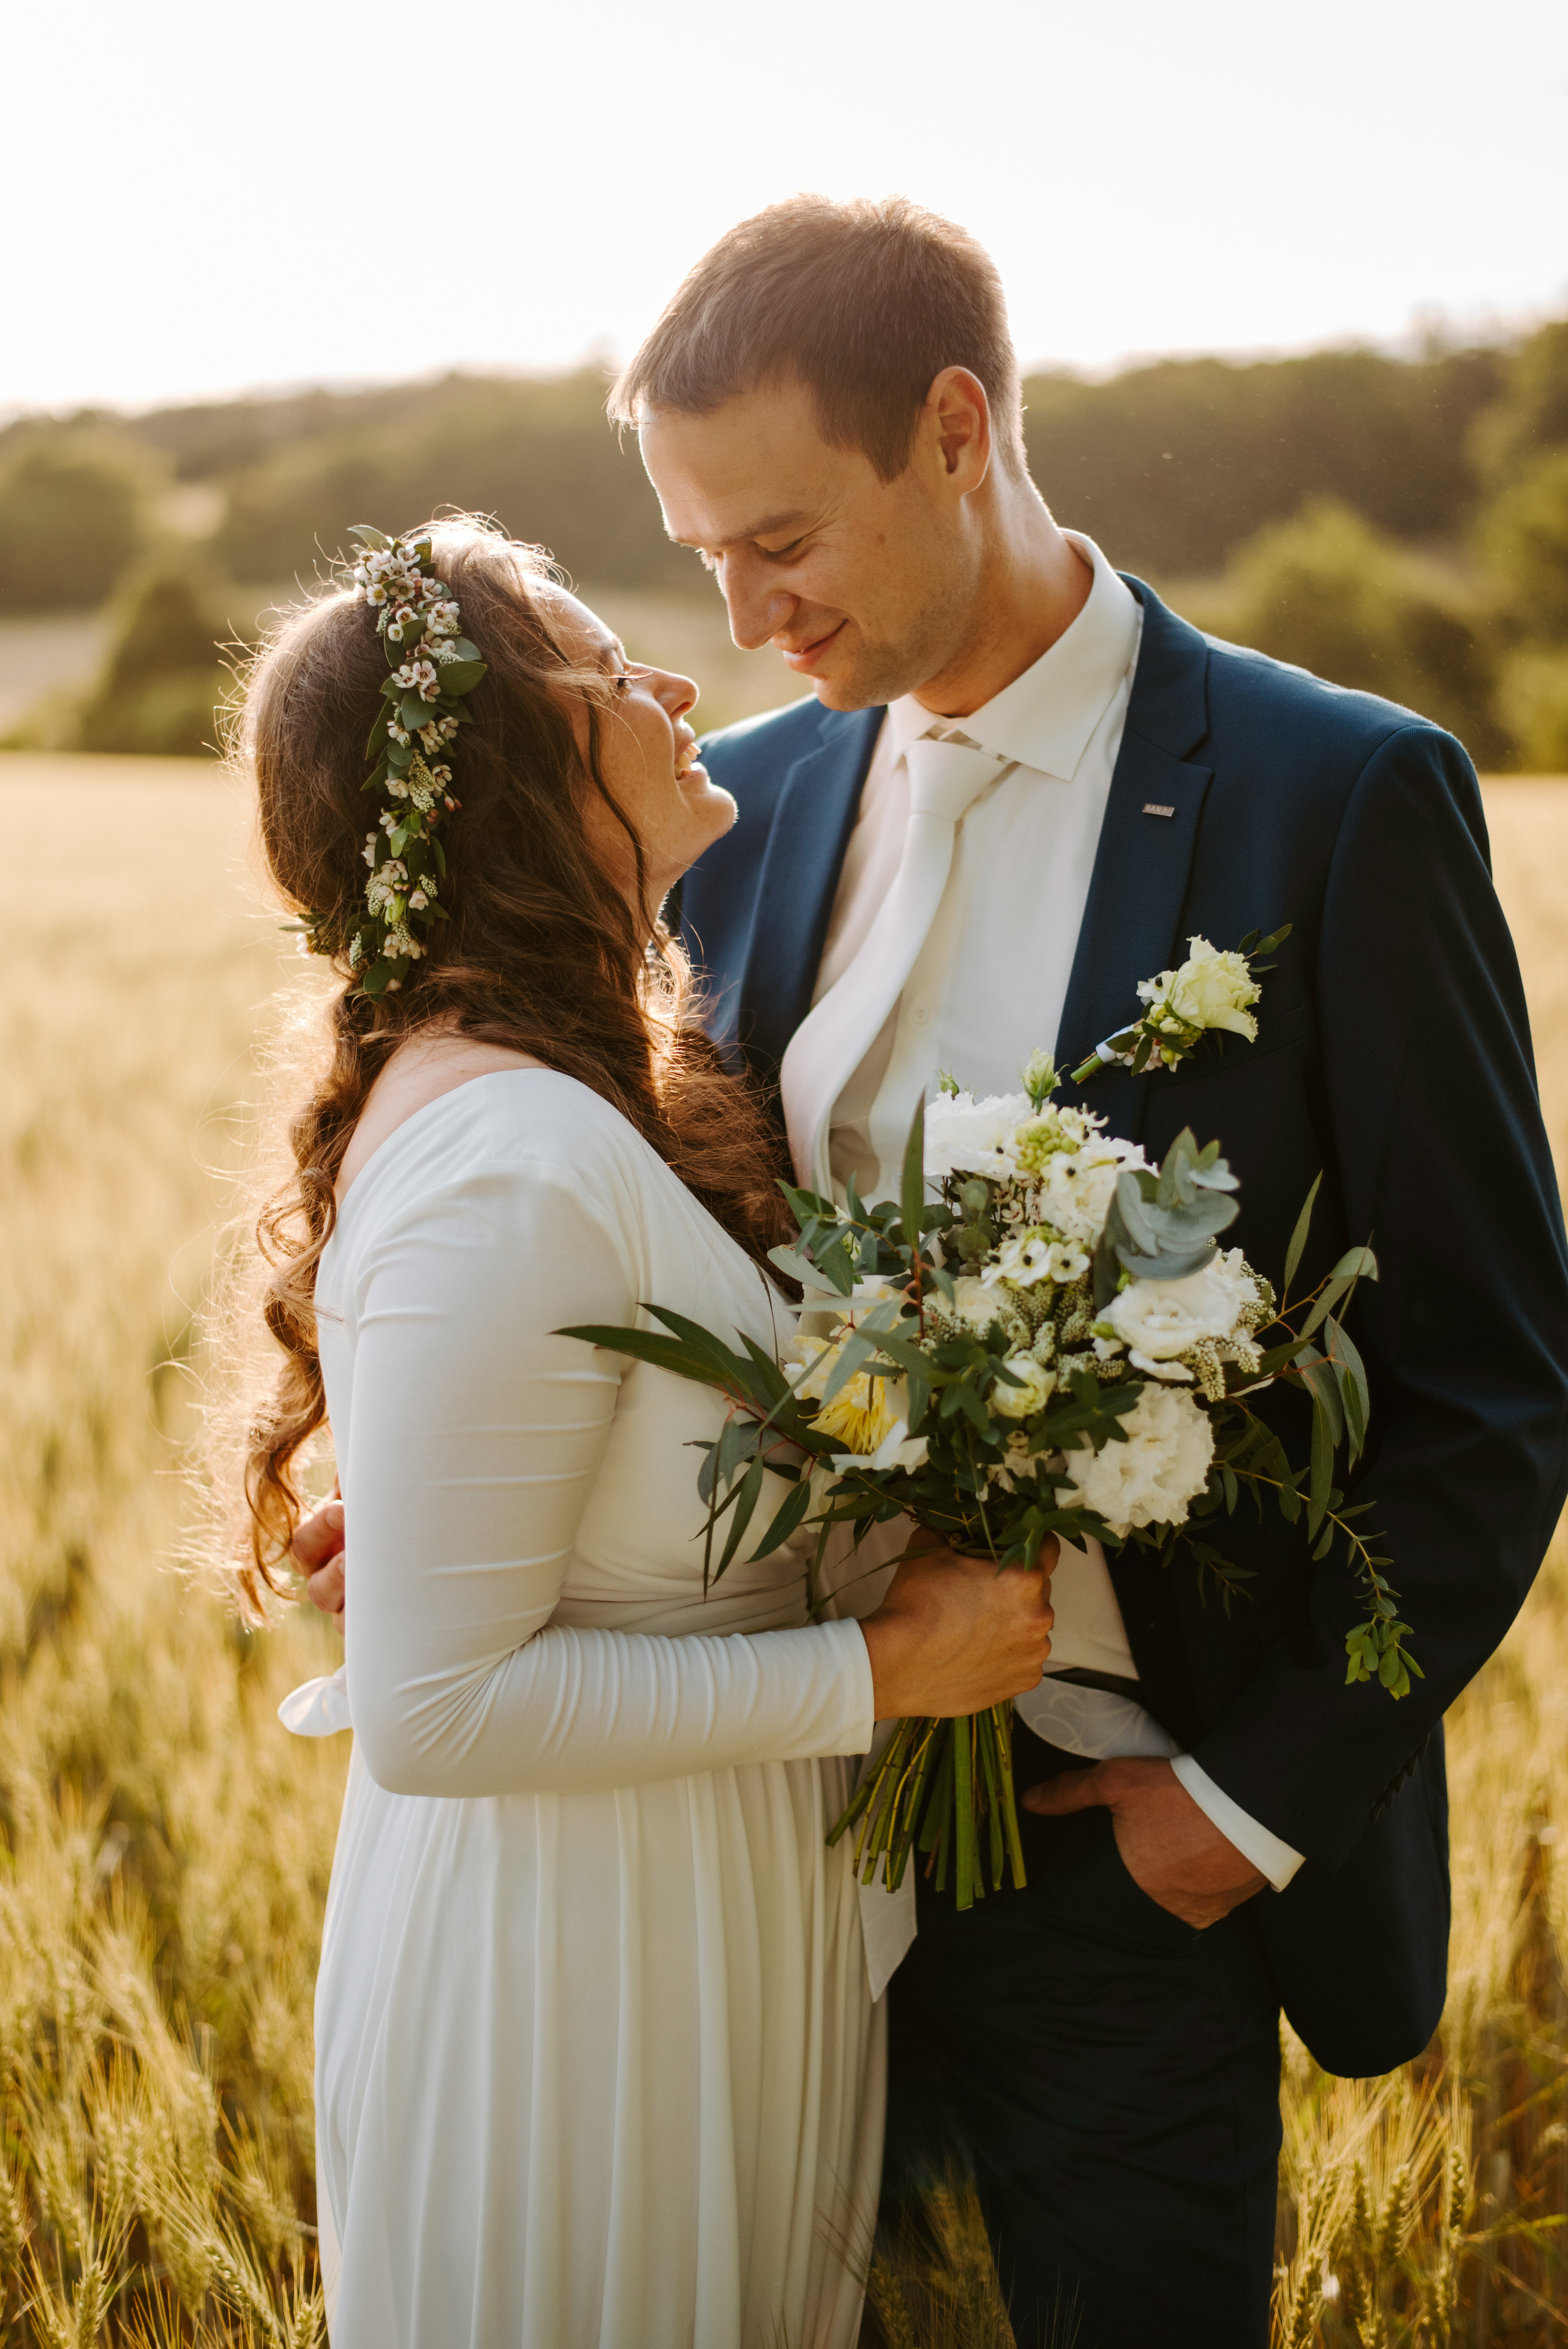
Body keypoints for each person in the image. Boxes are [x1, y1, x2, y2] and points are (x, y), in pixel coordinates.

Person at [600, 196, 1568, 2345]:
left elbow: (1496, 1394)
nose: (747, 618)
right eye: (700, 560)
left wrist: (1235, 1811)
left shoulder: (1339, 799)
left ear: (959, 430)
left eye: (782, 541)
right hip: (761, 1840)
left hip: (1117, 1859)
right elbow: (646, 1250)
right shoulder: (730, 809)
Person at [241, 518, 1054, 2349]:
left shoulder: (560, 1092)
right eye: (616, 674)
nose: (681, 686)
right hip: (580, 1975)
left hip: (681, 1923)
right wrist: (881, 1672)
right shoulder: (507, 1152)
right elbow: (438, 1712)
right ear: (523, 771)